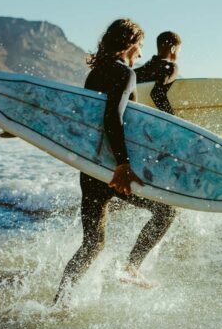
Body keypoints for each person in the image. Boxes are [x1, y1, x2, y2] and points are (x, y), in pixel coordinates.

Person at [55, 19, 177, 302]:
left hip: (92, 167)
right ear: (132, 44)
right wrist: (123, 165)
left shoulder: (96, 73)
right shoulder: (124, 73)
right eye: (141, 47)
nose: (140, 54)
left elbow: (93, 120)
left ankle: (60, 302)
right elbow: (114, 116)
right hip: (113, 169)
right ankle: (132, 267)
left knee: (92, 245)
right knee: (168, 211)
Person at [134, 31, 182, 114]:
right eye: (179, 51)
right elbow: (157, 94)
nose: (179, 55)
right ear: (173, 49)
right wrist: (172, 117)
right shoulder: (171, 67)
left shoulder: (144, 68)